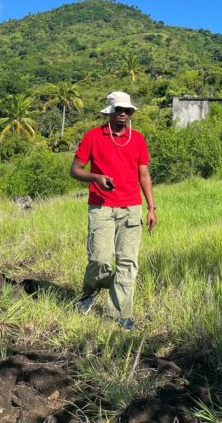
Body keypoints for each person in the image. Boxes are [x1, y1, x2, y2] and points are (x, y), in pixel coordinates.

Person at [70, 91, 157, 330]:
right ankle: (90, 291)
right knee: (99, 258)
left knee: (127, 262)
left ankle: (121, 313)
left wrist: (151, 207)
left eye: (127, 110)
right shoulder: (93, 136)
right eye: (119, 110)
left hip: (131, 207)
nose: (123, 114)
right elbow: (75, 169)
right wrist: (95, 177)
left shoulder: (137, 139)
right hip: (101, 206)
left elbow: (144, 175)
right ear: (110, 112)